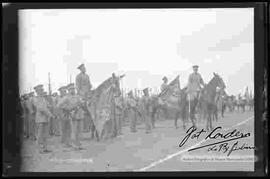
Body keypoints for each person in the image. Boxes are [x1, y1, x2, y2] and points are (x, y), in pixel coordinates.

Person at [58, 83, 85, 150]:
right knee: (74, 131)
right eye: (71, 89)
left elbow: (82, 102)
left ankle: (79, 144)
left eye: (74, 89)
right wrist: (68, 108)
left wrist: (82, 103)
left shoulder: (77, 96)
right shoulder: (66, 97)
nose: (73, 90)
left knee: (80, 130)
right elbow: (59, 105)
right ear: (68, 90)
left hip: (79, 115)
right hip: (73, 116)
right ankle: (74, 144)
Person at [32, 84, 54, 154]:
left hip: (45, 118)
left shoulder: (43, 98)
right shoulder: (35, 99)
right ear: (37, 91)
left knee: (45, 134)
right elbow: (41, 109)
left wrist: (52, 106)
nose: (42, 91)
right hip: (40, 119)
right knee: (40, 135)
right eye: (41, 90)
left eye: (42, 90)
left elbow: (48, 106)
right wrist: (50, 115)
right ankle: (39, 149)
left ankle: (45, 148)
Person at [75, 63, 92, 133]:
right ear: (80, 69)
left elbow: (89, 84)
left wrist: (90, 86)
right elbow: (77, 86)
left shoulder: (87, 76)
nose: (84, 69)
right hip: (82, 94)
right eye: (83, 68)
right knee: (82, 109)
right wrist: (80, 94)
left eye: (84, 68)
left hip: (88, 93)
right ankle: (83, 128)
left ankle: (89, 127)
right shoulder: (78, 76)